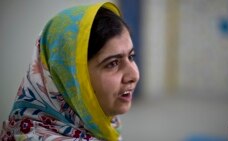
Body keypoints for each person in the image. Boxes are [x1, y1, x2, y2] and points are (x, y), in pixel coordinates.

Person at [0, 2, 140, 141]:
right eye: (112, 63)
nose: (134, 75)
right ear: (71, 76)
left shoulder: (103, 125)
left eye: (131, 57)